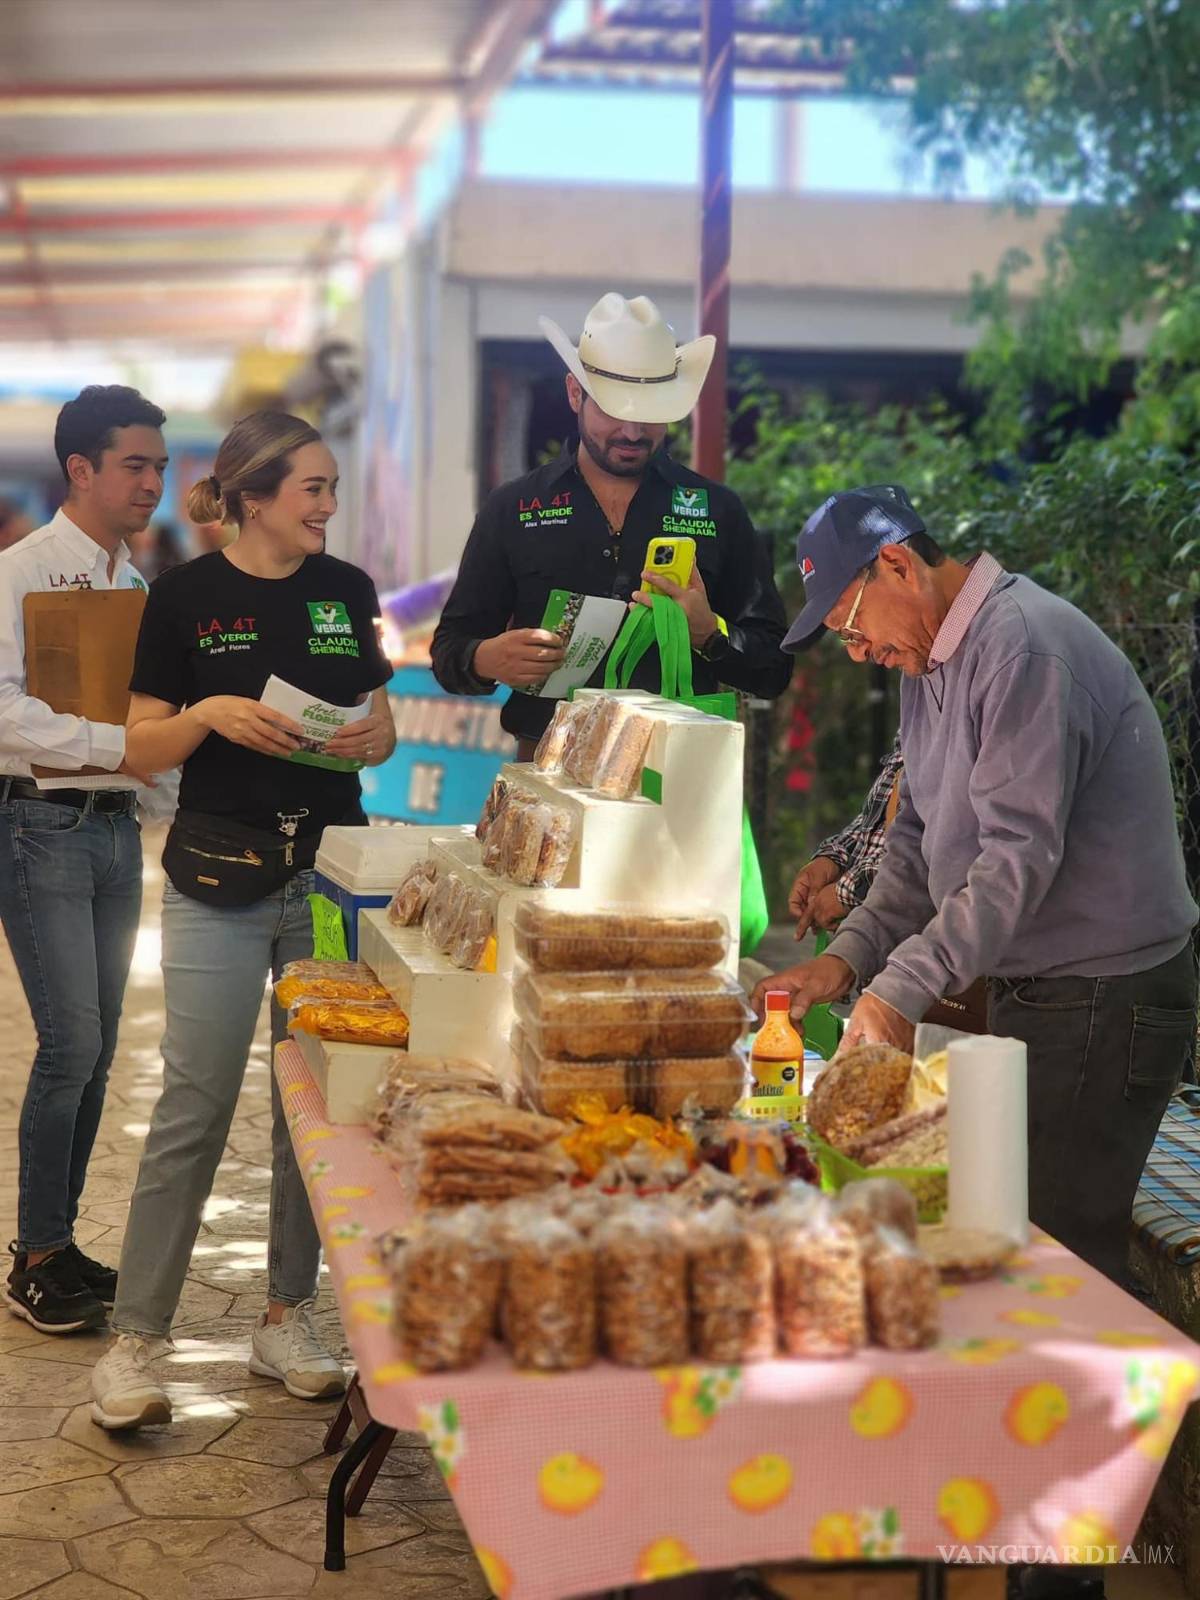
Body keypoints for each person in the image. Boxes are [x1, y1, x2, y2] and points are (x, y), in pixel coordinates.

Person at [752, 484, 1198, 1286]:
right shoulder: (928, 658)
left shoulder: (1023, 649)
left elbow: (1012, 863)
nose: (857, 653)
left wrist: (895, 993)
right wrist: (847, 961)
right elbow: (917, 842)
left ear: (896, 564)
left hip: (1108, 1000)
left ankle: (1092, 1408)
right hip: (1044, 990)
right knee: (996, 1230)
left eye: (852, 628)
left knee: (1052, 1258)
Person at [89, 411, 396, 1431]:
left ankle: (285, 1315)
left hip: (329, 885)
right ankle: (137, 1338)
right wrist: (212, 714)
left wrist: (373, 732)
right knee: (194, 1101)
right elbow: (139, 747)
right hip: (217, 880)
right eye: (313, 486)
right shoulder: (181, 598)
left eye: (331, 487)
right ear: (253, 496)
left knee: (317, 1110)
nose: (328, 504)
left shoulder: (346, 591)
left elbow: (378, 724)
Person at [431, 293, 792, 756]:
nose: (633, 432)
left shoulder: (717, 509)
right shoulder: (513, 507)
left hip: (679, 773)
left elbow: (774, 668)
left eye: (649, 414)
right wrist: (487, 658)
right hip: (548, 768)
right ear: (574, 393)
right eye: (614, 410)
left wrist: (710, 635)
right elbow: (449, 651)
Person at [0, 385, 167, 1334]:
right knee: (69, 1043)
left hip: (114, 828)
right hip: (40, 828)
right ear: (81, 471)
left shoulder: (137, 586)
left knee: (99, 1051)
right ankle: (30, 1258)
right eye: (134, 465)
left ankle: (57, 1243)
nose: (153, 482)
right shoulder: (19, 572)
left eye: (159, 465)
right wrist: (112, 744)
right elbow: (0, 707)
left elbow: (148, 723)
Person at [790, 734, 903, 939]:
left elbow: (919, 840)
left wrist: (848, 891)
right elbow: (883, 812)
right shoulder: (917, 711)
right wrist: (835, 857)